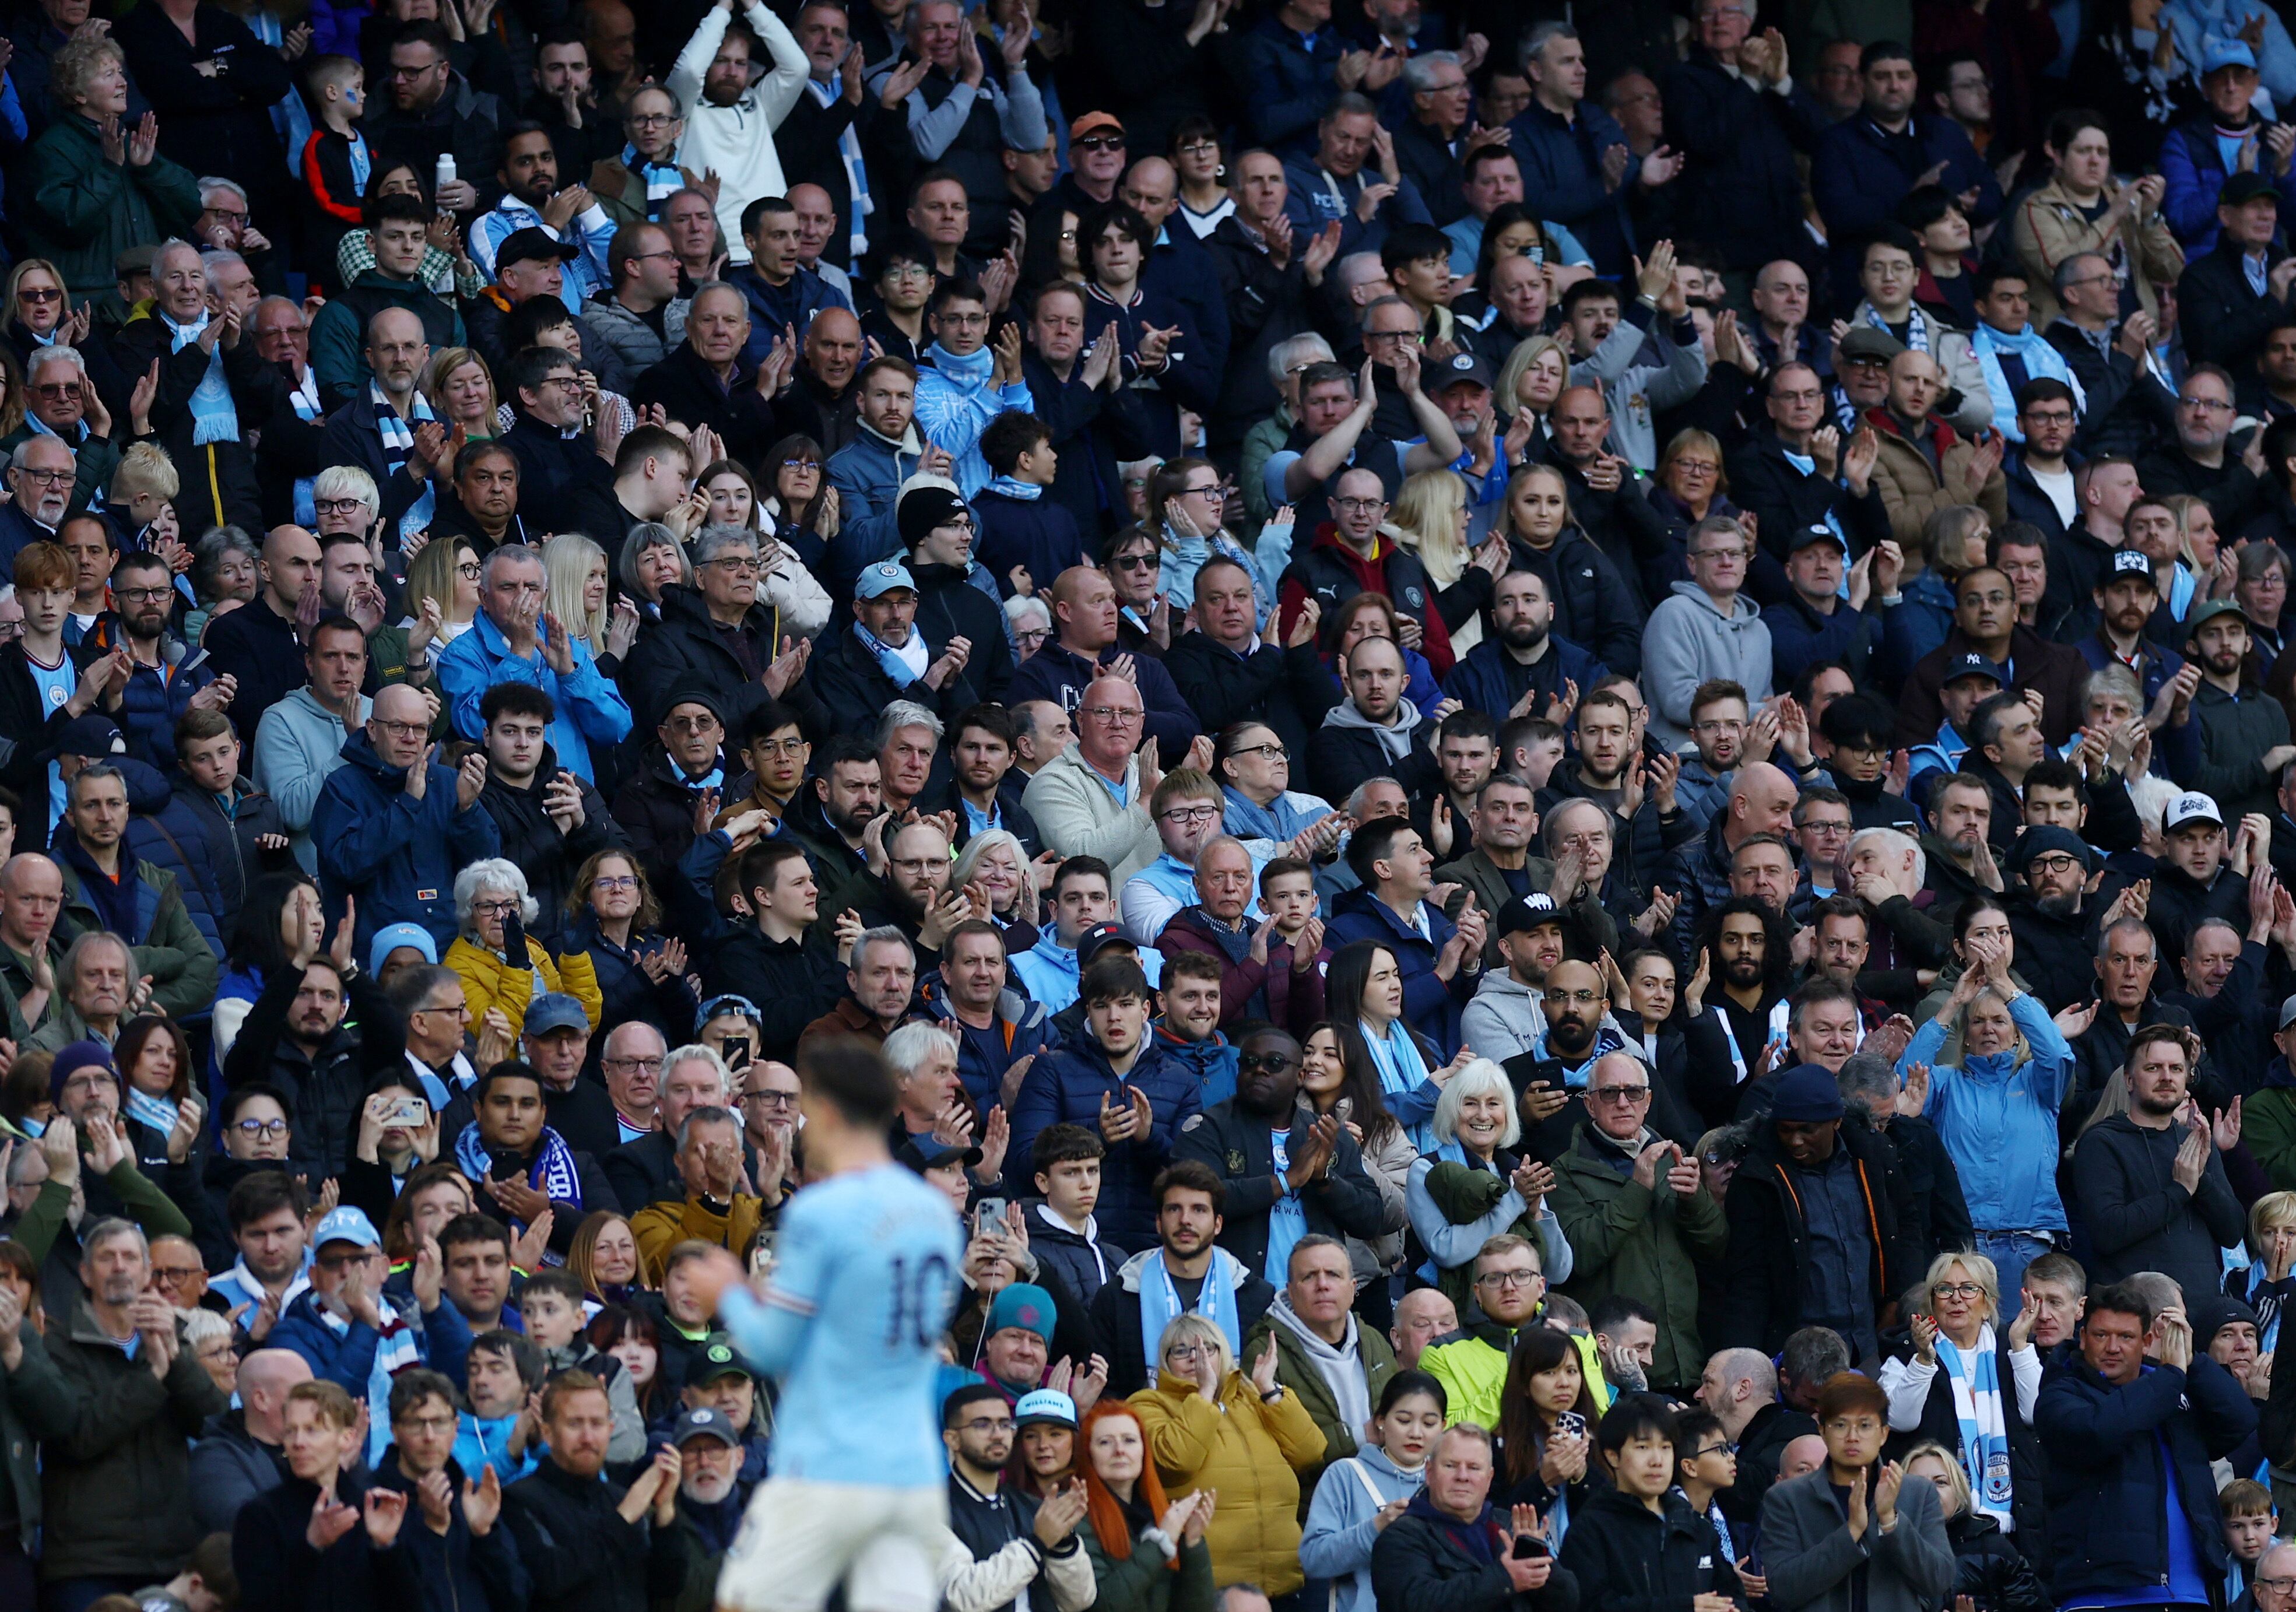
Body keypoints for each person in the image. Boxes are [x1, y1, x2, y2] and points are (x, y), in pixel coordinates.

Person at [674, 1037, 965, 1612]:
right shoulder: (934, 1209)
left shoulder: (820, 1209)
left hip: (830, 1458)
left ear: (827, 1111)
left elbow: (771, 1346)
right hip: (911, 1462)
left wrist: (728, 1291)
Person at [2034, 1279, 2259, 1610]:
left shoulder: (2172, 1387)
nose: (2113, 1347)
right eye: (2101, 1335)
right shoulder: (2061, 1394)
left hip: (2192, 1595)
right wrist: (2170, 1377)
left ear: (2147, 1341)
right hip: (2101, 1597)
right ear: (2082, 1339)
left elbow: (2240, 1421)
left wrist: (2192, 1360)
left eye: (2126, 1337)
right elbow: (2101, 1431)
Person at [39, 1218, 231, 1607]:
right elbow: (79, 1435)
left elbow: (214, 1422)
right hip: (87, 1560)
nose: (120, 1266)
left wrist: (176, 1358)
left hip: (169, 1554)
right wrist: (154, 1375)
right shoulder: (58, 1345)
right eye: (107, 1257)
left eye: (130, 1257)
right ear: (85, 1272)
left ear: (146, 1273)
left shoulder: (170, 1338)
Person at [1546, 1052, 1726, 1395]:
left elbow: (1716, 1248)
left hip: (1682, 1360)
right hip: (1613, 1372)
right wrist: (1637, 1190)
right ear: (1589, 1104)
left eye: (1634, 1092)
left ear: (1649, 1101)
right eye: (1609, 1093)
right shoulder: (1563, 1172)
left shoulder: (1673, 1160)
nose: (1623, 1102)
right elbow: (1577, 1256)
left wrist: (1695, 1201)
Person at [1722, 1063, 1916, 1358]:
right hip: (1796, 1350)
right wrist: (1742, 1358)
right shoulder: (1757, 1178)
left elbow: (1907, 1226)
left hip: (1870, 1341)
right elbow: (1748, 1279)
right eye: (1785, 1130)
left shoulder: (1873, 1157)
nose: (1795, 1141)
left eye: (1807, 1130)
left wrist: (1895, 1301)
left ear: (1836, 1122)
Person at [1129, 1313, 1328, 1599]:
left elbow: (1311, 1453)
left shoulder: (1252, 1398)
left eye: (1206, 1348)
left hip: (1287, 1580)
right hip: (1211, 1589)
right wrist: (1205, 1392)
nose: (1194, 1358)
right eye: (1182, 1351)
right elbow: (1175, 1462)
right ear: (1166, 1361)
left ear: (1222, 1353)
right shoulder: (1149, 1404)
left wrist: (1268, 1389)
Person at [1874, 1251, 2045, 1545]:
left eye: (1969, 1289)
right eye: (1945, 1289)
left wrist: (2020, 1345)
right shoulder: (1905, 1354)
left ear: (1989, 1304)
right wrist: (1923, 1360)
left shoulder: (2012, 1348)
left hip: (2010, 1523)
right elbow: (1899, 1421)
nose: (1956, 1298)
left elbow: (2036, 1414)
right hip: (1933, 1524)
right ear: (1932, 1303)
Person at [2070, 1022, 2245, 1299]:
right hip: (2131, 1312)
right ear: (2129, 1080)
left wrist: (2201, 1182)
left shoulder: (2196, 1140)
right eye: (2153, 1068)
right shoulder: (2101, 1142)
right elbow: (2107, 1232)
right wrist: (2179, 1191)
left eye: (2176, 1069)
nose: (2167, 1077)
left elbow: (2233, 1232)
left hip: (2200, 1306)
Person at [1758, 1369, 1957, 1612]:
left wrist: (1891, 1522)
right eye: (1841, 1425)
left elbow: (1938, 1581)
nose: (1853, 1437)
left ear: (1884, 1433)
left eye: (1865, 1426)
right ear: (1822, 1430)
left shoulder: (1918, 1493)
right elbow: (1783, 1589)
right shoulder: (1787, 1498)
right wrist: (1851, 1532)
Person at [229, 1379, 420, 1612]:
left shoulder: (370, 1508)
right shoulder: (261, 1516)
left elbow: (408, 1604)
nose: (299, 1443)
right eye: (291, 1431)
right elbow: (260, 1605)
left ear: (347, 1438)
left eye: (312, 1430)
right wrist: (312, 1546)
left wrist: (386, 1547)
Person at [1368, 1421, 1580, 1612]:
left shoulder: (1507, 1524)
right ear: (1429, 1473)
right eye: (1451, 1466)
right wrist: (1505, 1579)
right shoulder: (1401, 1536)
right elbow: (1417, 1602)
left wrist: (1536, 1562)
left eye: (1474, 1468)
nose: (1462, 1477)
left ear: (1489, 1479)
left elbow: (1567, 1601)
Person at [1071, 1399, 1219, 1612]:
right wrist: (1160, 1544)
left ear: (1143, 1450)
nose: (1120, 1450)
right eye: (1105, 1442)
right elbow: (1102, 1606)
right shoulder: (1077, 1514)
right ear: (1088, 1454)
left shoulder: (1158, 1512)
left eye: (1130, 1440)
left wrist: (1192, 1544)